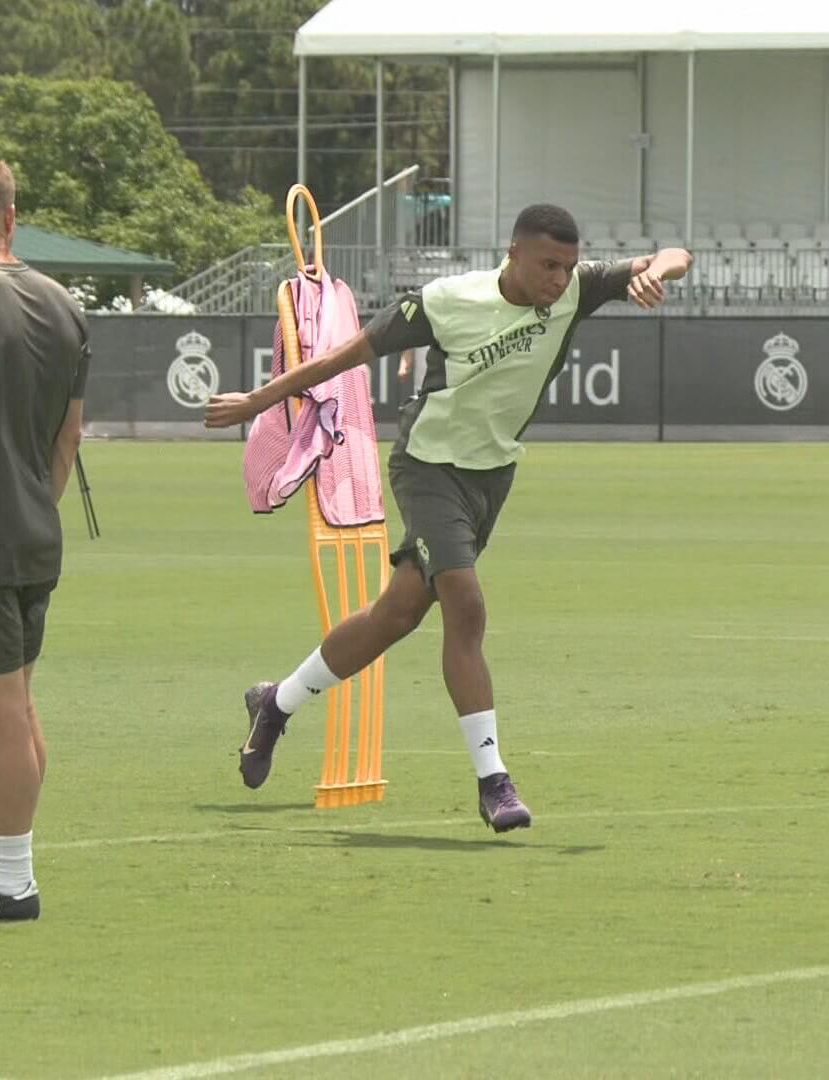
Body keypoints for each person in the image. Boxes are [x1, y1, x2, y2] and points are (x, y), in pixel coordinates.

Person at [205, 204, 691, 832]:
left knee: (395, 616)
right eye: (547, 264)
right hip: (428, 468)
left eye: (567, 266)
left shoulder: (577, 289)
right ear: (512, 253)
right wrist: (256, 400)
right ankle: (495, 782)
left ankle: (276, 701)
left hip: (493, 477)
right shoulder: (446, 301)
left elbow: (675, 254)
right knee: (466, 604)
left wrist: (658, 272)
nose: (558, 279)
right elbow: (345, 357)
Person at [0, 160, 90, 919]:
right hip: (34, 531)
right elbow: (70, 440)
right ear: (12, 214)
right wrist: (34, 507)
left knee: (3, 708)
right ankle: (12, 867)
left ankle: (12, 881)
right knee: (19, 704)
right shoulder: (63, 306)